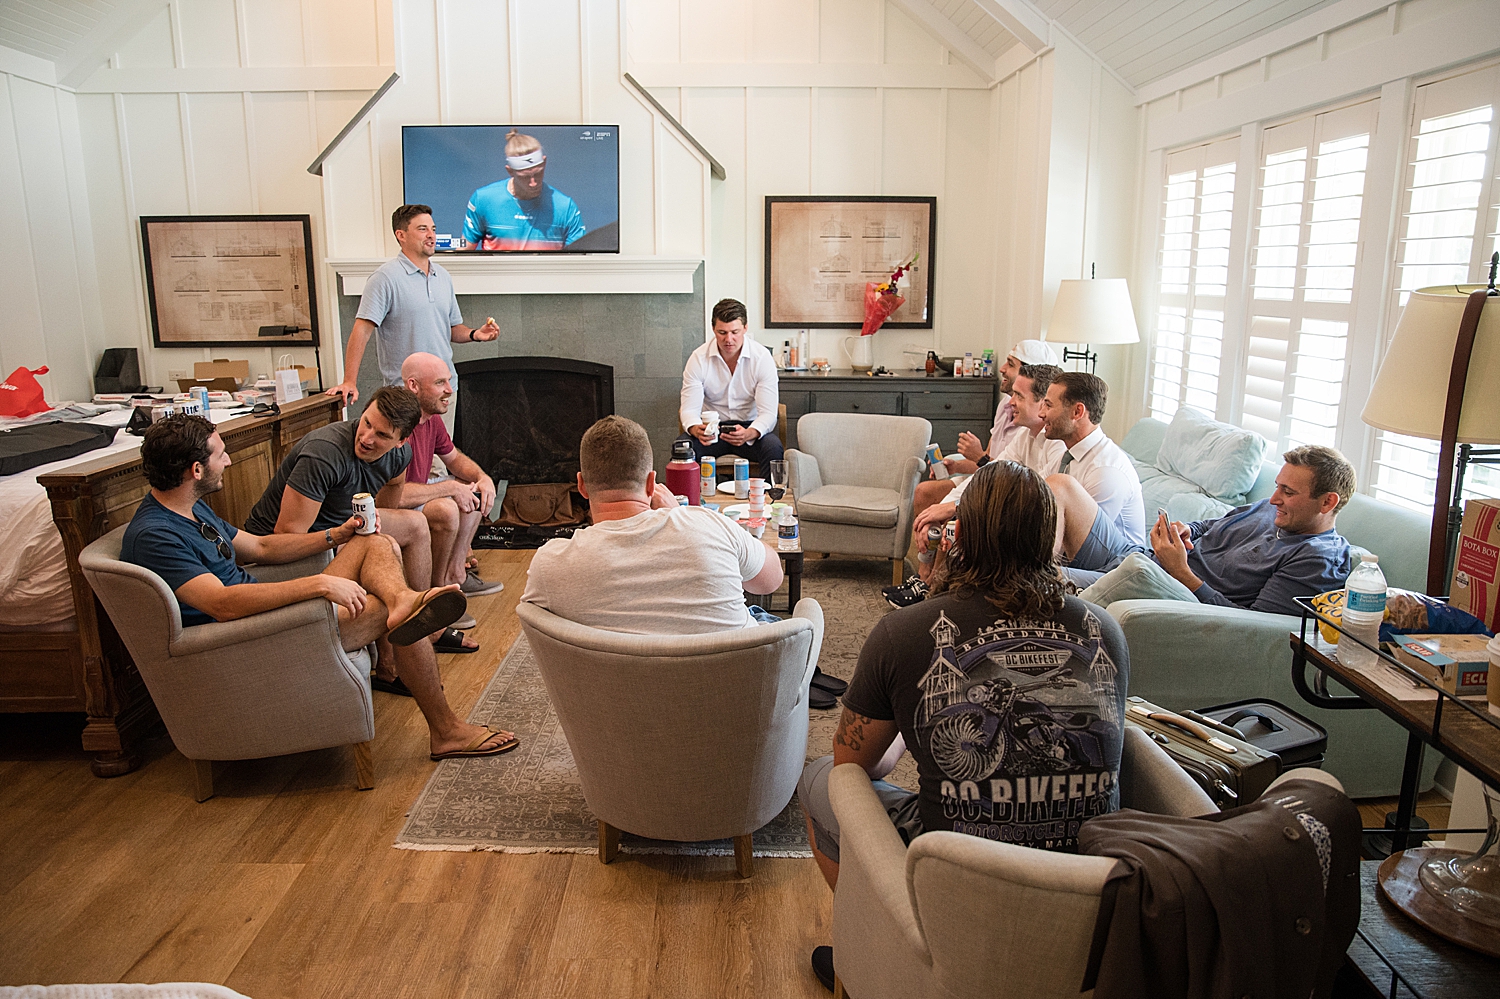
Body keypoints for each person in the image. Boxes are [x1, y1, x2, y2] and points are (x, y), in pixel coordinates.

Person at [798, 459, 1129, 992]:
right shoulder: (1104, 630)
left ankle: (881, 944)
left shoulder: (904, 632)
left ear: (961, 535)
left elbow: (854, 767)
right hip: (1084, 890)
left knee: (820, 782)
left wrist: (918, 686)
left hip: (956, 877)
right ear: (1053, 536)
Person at [120, 415, 517, 761]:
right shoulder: (157, 534)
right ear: (196, 470)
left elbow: (260, 546)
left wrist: (336, 534)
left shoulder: (187, 507)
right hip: (244, 638)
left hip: (265, 615)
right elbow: (222, 604)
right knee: (402, 617)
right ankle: (446, 730)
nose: (227, 460)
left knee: (373, 541)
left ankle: (403, 600)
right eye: (220, 454)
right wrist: (318, 584)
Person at [243, 387, 475, 662]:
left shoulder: (400, 456)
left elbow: (392, 490)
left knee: (415, 523)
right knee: (384, 545)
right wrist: (353, 541)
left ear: (401, 441)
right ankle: (394, 657)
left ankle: (424, 625)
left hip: (341, 526)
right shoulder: (324, 453)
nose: (366, 438)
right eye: (366, 423)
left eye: (381, 435)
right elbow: (285, 536)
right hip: (286, 548)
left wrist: (371, 528)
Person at [1054, 445, 1356, 618]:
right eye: (1277, 486)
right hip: (1142, 558)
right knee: (1062, 486)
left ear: (1327, 502)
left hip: (1157, 585)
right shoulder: (1270, 508)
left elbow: (1253, 625)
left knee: (1029, 579)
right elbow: (1212, 526)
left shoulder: (1317, 558)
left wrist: (1181, 573)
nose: (1274, 498)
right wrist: (1187, 530)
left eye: (1288, 492)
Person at [885, 362, 1065, 606]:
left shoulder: (1057, 445)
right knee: (941, 509)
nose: (1011, 401)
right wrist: (941, 510)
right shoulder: (1026, 435)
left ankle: (937, 587)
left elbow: (1034, 503)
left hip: (1025, 526)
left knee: (957, 521)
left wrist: (953, 509)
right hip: (1003, 506)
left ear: (1043, 403)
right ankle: (929, 583)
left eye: (1018, 396)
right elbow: (988, 474)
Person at [327, 204, 500, 405]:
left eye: (433, 229)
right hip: (404, 394)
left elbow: (451, 329)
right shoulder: (384, 278)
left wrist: (475, 334)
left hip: (444, 391)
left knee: (441, 439)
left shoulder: (443, 277)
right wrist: (349, 381)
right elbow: (362, 331)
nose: (431, 235)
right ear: (401, 235)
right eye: (422, 229)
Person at [396, 353, 504, 620]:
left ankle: (456, 575)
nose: (449, 390)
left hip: (417, 493)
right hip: (391, 507)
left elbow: (454, 459)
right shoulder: (398, 425)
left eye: (449, 381)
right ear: (413, 386)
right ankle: (437, 596)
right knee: (446, 508)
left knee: (474, 491)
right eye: (440, 383)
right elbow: (394, 496)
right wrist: (449, 488)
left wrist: (482, 477)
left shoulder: (430, 419)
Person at [910, 339, 1061, 520]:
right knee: (926, 495)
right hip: (992, 481)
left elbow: (1016, 486)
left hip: (1009, 497)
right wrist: (957, 467)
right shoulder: (1012, 414)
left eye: (1011, 364)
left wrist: (979, 458)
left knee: (953, 520)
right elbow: (992, 467)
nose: (1002, 368)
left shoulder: (1051, 441)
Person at [1038, 372, 1144, 546]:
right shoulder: (1065, 456)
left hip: (1113, 567)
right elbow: (1034, 495)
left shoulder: (1106, 472)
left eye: (1048, 406)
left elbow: (1082, 545)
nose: (1041, 414)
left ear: (1077, 412)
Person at [677, 298, 783, 468]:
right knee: (682, 448)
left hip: (749, 427)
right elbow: (689, 409)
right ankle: (688, 495)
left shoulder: (762, 358)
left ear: (745, 328)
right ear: (713, 329)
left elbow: (768, 413)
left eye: (735, 332)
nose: (729, 339)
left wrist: (750, 433)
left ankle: (769, 494)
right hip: (712, 430)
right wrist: (696, 429)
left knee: (773, 448)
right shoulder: (698, 358)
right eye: (722, 332)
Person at [462, 130, 586, 251]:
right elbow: (464, 250)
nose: (533, 183)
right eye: (525, 177)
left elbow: (578, 260)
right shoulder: (483, 200)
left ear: (545, 162)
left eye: (538, 174)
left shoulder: (565, 207)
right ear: (510, 171)